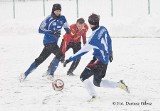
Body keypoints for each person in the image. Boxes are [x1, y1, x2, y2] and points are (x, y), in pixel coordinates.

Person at [63, 13, 129, 101]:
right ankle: (119, 84)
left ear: (90, 24)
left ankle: (94, 96)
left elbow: (82, 52)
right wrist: (110, 52)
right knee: (97, 82)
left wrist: (69, 59)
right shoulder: (103, 28)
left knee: (83, 77)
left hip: (98, 60)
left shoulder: (93, 39)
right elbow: (109, 40)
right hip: (105, 60)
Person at [19, 3, 70, 82]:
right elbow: (40, 29)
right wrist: (51, 32)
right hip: (48, 42)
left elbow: (66, 26)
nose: (58, 12)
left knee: (40, 60)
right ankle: (51, 74)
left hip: (54, 43)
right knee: (59, 54)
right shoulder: (48, 19)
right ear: (53, 11)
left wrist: (68, 30)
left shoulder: (62, 18)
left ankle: (25, 74)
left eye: (59, 11)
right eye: (56, 11)